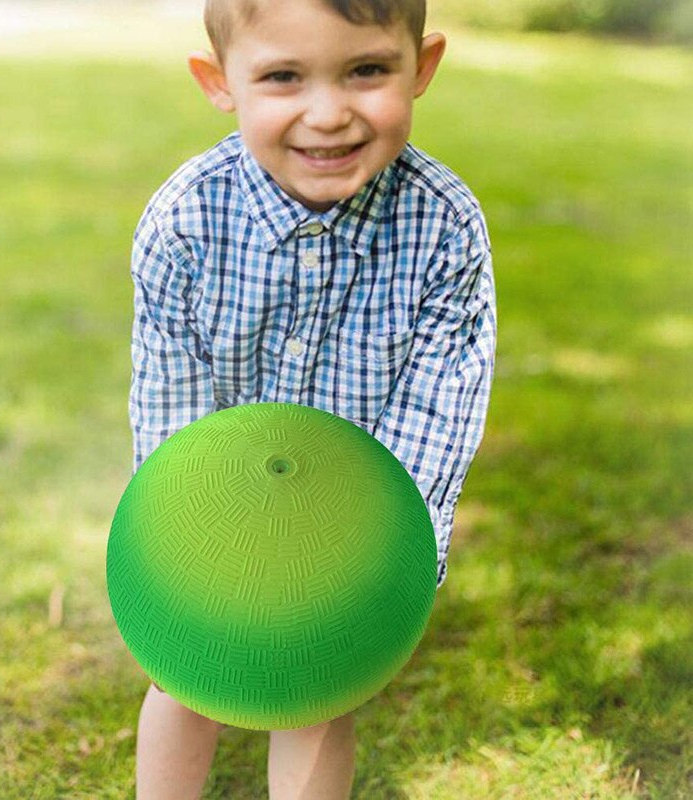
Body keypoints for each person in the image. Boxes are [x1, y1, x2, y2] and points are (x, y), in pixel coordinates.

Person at [128, 0, 496, 796]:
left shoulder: (445, 230)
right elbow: (168, 408)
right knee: (183, 681)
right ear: (219, 82)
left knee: (315, 696)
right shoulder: (186, 222)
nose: (328, 115)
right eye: (283, 76)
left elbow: (438, 417)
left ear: (422, 66)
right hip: (216, 510)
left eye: (366, 70)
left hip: (351, 523)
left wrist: (379, 570)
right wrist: (180, 553)